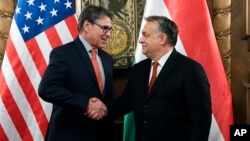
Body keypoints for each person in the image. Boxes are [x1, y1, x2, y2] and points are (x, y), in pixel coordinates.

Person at [87, 15, 212, 141]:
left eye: (146, 35)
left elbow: (201, 119)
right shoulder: (139, 69)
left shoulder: (190, 70)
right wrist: (95, 108)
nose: (141, 40)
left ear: (162, 38)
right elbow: (125, 102)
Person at [38, 5, 115, 141]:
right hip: (70, 134)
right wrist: (85, 104)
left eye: (110, 29)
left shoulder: (107, 60)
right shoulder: (63, 54)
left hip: (101, 135)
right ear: (87, 25)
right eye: (105, 28)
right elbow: (47, 88)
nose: (108, 34)